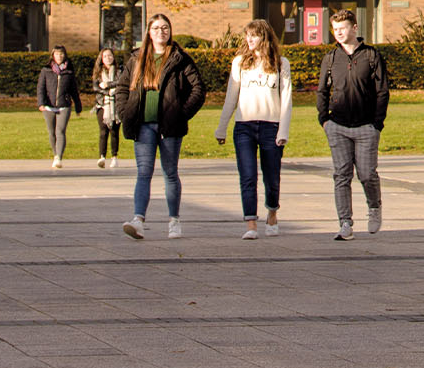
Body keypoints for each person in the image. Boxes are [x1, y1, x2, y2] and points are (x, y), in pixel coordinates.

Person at [115, 14, 207, 240]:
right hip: (143, 125)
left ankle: (174, 220)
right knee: (143, 173)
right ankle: (138, 220)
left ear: (170, 31)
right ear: (148, 32)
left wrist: (181, 114)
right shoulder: (137, 59)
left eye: (164, 28)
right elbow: (122, 88)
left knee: (170, 173)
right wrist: (124, 112)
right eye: (156, 28)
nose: (160, 32)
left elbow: (198, 90)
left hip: (169, 127)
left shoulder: (180, 58)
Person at [315, 9, 389, 241]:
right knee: (341, 175)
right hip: (337, 126)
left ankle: (374, 207)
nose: (338, 33)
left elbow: (382, 92)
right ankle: (345, 223)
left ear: (355, 28)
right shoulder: (330, 58)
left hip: (366, 126)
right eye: (335, 30)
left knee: (367, 174)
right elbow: (322, 91)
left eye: (343, 28)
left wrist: (377, 123)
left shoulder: (371, 56)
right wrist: (324, 119)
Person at [216, 19, 292, 240]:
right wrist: (221, 128)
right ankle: (251, 223)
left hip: (271, 127)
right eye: (247, 35)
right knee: (247, 176)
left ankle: (272, 212)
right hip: (244, 128)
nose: (249, 39)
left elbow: (286, 100)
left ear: (264, 37)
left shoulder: (280, 63)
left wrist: (283, 132)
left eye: (254, 35)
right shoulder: (239, 62)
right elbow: (231, 97)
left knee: (272, 176)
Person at [37, 45, 83, 168]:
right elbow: (41, 88)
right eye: (57, 54)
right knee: (52, 132)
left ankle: (59, 157)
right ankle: (55, 154)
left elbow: (74, 90)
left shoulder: (69, 72)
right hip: (49, 106)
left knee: (60, 131)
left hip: (64, 105)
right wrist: (41, 103)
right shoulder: (45, 71)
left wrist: (78, 106)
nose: (59, 56)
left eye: (61, 54)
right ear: (53, 55)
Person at [92, 48, 123, 169]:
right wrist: (106, 92)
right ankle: (102, 156)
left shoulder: (119, 71)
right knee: (103, 131)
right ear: (101, 59)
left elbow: (121, 82)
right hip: (102, 104)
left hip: (116, 104)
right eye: (105, 56)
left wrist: (108, 85)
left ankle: (114, 156)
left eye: (110, 56)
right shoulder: (98, 72)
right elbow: (95, 87)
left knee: (114, 131)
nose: (108, 58)